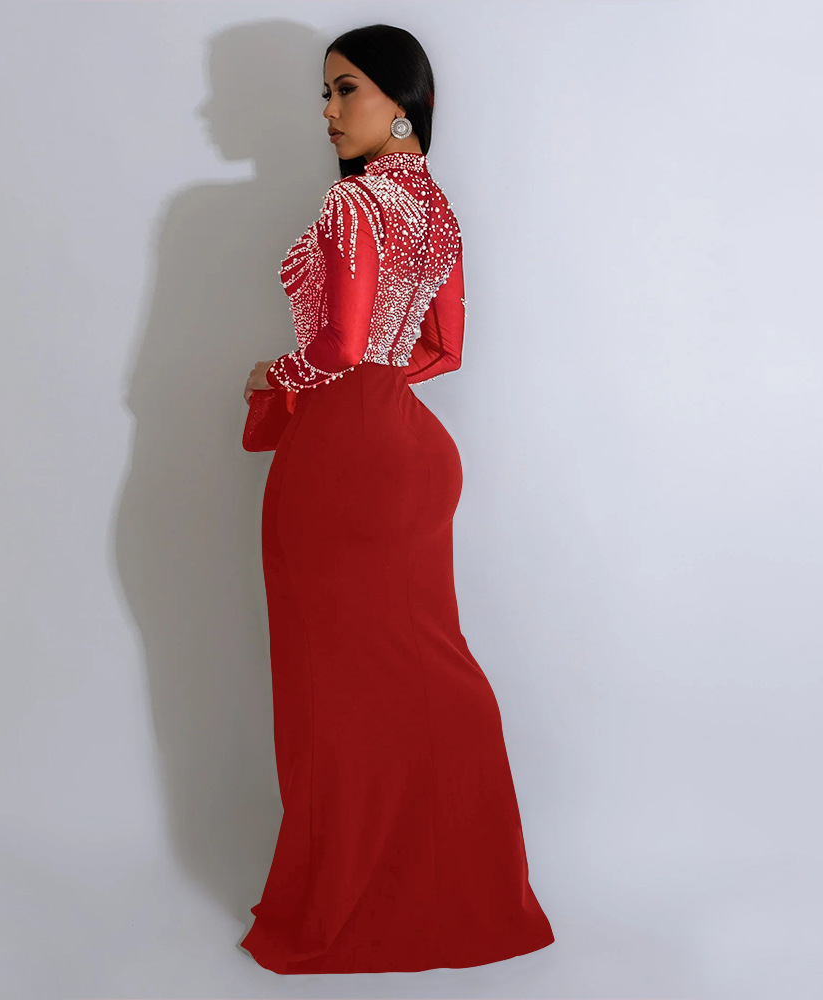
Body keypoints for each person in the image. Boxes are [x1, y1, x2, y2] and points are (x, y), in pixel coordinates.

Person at [239, 24, 555, 974]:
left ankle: (352, 898)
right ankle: (468, 892)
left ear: (404, 101)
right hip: (412, 451)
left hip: (343, 455)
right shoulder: (436, 210)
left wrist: (274, 374)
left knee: (332, 687)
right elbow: (441, 349)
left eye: (347, 89)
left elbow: (338, 346)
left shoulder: (353, 204)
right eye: (325, 93)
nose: (329, 112)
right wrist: (375, 389)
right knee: (423, 668)